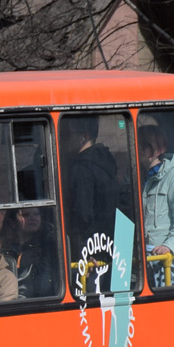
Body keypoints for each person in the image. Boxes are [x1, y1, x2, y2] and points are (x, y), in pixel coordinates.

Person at [140, 124, 174, 286]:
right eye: (140, 144)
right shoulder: (140, 179)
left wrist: (169, 246)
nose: (143, 150)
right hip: (148, 265)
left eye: (147, 146)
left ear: (160, 149)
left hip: (171, 267)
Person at [61, 116, 118, 270]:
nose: (62, 140)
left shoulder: (81, 169)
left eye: (66, 134)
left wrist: (81, 250)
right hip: (112, 244)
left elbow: (82, 214)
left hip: (90, 251)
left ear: (83, 137)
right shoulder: (107, 163)